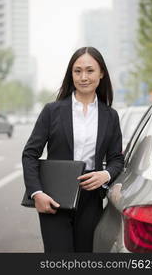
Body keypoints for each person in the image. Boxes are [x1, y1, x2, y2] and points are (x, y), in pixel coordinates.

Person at [22, 46, 124, 253]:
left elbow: (116, 160)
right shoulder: (52, 111)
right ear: (71, 74)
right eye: (77, 71)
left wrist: (105, 174)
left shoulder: (110, 116)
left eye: (90, 70)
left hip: (91, 198)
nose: (83, 77)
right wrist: (37, 193)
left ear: (101, 73)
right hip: (54, 197)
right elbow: (30, 154)